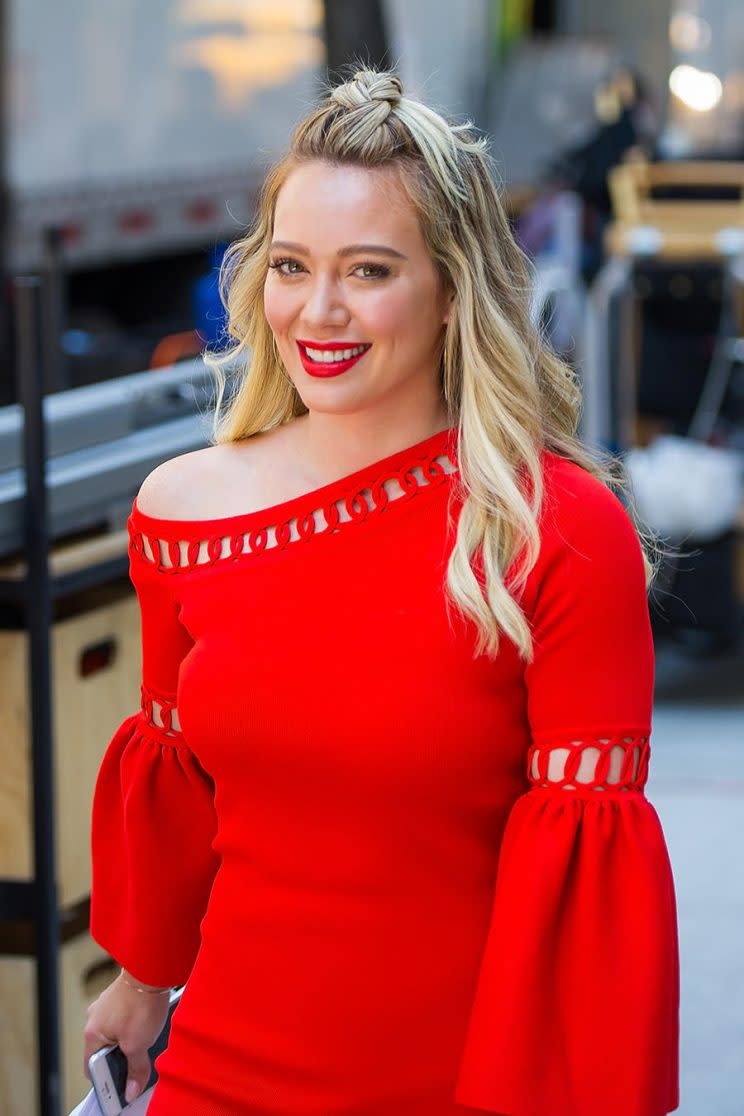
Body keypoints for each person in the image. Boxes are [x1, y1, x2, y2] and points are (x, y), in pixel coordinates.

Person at [83, 68, 680, 1116]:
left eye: (369, 270)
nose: (318, 310)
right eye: (291, 267)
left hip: (453, 1086)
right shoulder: (180, 513)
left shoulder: (557, 530)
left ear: (451, 291)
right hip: (213, 1073)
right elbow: (184, 806)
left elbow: (585, 910)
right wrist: (139, 987)